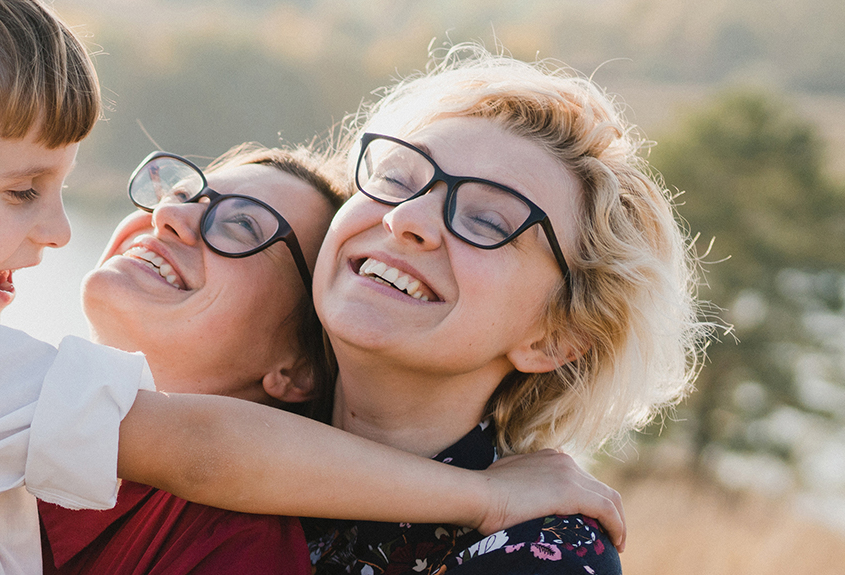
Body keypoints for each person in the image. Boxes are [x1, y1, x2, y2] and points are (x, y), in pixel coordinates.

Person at [0, 0, 629, 574]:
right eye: (22, 192)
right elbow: (195, 444)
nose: (58, 229)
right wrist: (483, 495)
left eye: (243, 227)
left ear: (291, 367)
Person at [303, 47, 708, 574]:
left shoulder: (541, 553)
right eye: (399, 179)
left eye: (488, 222)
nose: (407, 218)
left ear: (553, 339)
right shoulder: (217, 407)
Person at [40, 144, 348, 575]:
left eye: (242, 224)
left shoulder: (236, 551)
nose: (170, 216)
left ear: (298, 370)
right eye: (180, 195)